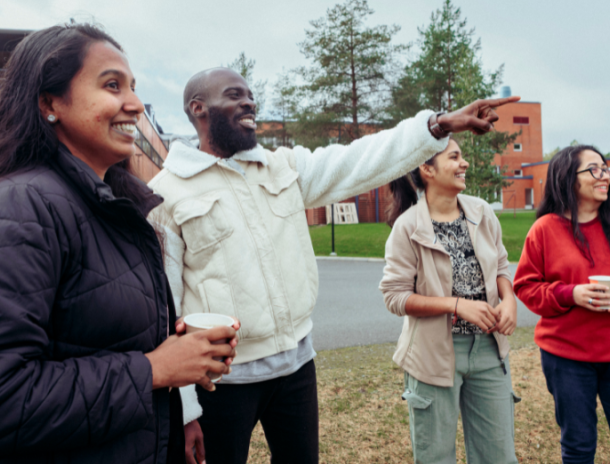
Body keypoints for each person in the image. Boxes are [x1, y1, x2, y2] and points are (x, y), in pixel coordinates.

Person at [147, 66, 519, 463]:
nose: (249, 101)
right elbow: (165, 310)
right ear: (199, 108)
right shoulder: (166, 194)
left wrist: (438, 124)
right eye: (234, 95)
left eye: (250, 94)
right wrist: (186, 411)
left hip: (296, 370)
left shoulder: (283, 167)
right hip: (221, 382)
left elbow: (360, 159)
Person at [0, 24, 238, 464]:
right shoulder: (17, 211)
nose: (133, 104)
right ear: (50, 103)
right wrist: (155, 369)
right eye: (111, 85)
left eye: (133, 87)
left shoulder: (107, 207)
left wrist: (177, 357)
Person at [513, 145, 610, 464]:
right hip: (566, 360)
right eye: (594, 170)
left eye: (606, 169)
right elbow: (526, 287)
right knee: (578, 447)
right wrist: (571, 294)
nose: (605, 177)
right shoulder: (544, 230)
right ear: (568, 178)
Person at [379, 137, 519, 464]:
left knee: (498, 457)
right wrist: (455, 304)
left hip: (488, 349)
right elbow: (395, 297)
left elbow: (500, 264)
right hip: (433, 355)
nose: (464, 163)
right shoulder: (407, 227)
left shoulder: (482, 212)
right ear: (427, 169)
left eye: (462, 156)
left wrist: (509, 298)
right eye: (454, 157)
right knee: (435, 458)